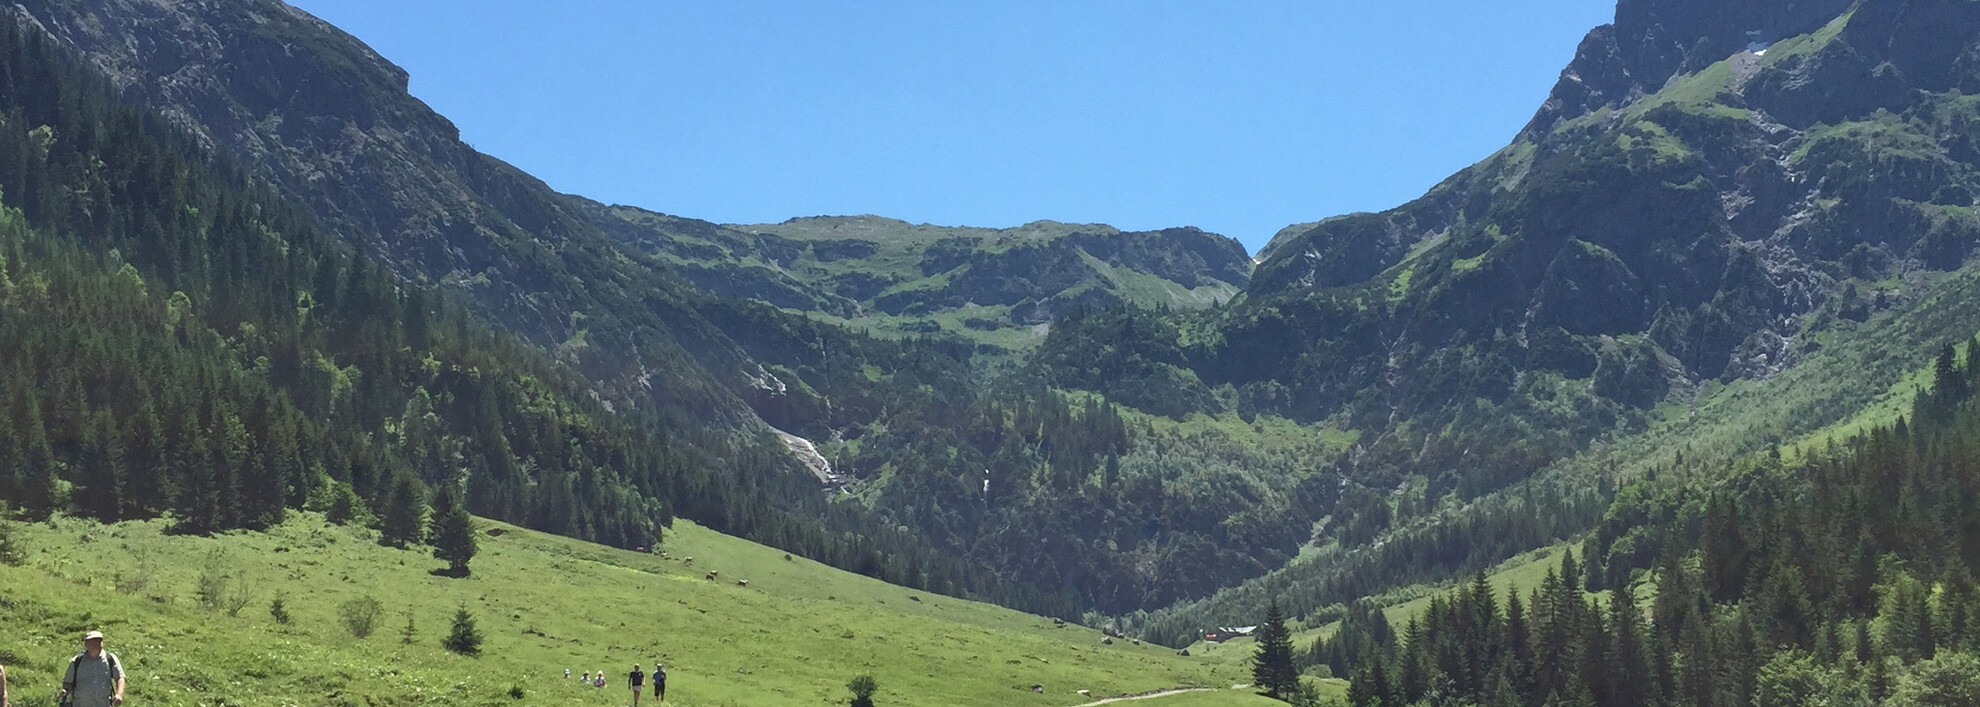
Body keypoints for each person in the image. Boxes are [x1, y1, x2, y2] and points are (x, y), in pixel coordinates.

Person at [57, 630, 124, 707]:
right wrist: (65, 691)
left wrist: (119, 694)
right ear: (86, 644)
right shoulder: (77, 661)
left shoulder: (110, 659)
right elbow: (68, 683)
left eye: (98, 641)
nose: (95, 644)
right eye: (91, 642)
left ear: (102, 643)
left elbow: (120, 677)